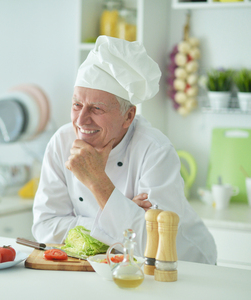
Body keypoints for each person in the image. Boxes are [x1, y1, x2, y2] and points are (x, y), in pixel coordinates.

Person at [32, 36, 217, 264]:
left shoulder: (154, 150)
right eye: (77, 105)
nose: (81, 120)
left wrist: (97, 181)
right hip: (110, 267)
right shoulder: (61, 142)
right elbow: (44, 227)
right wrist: (125, 210)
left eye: (96, 108)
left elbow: (154, 245)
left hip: (187, 266)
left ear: (128, 116)